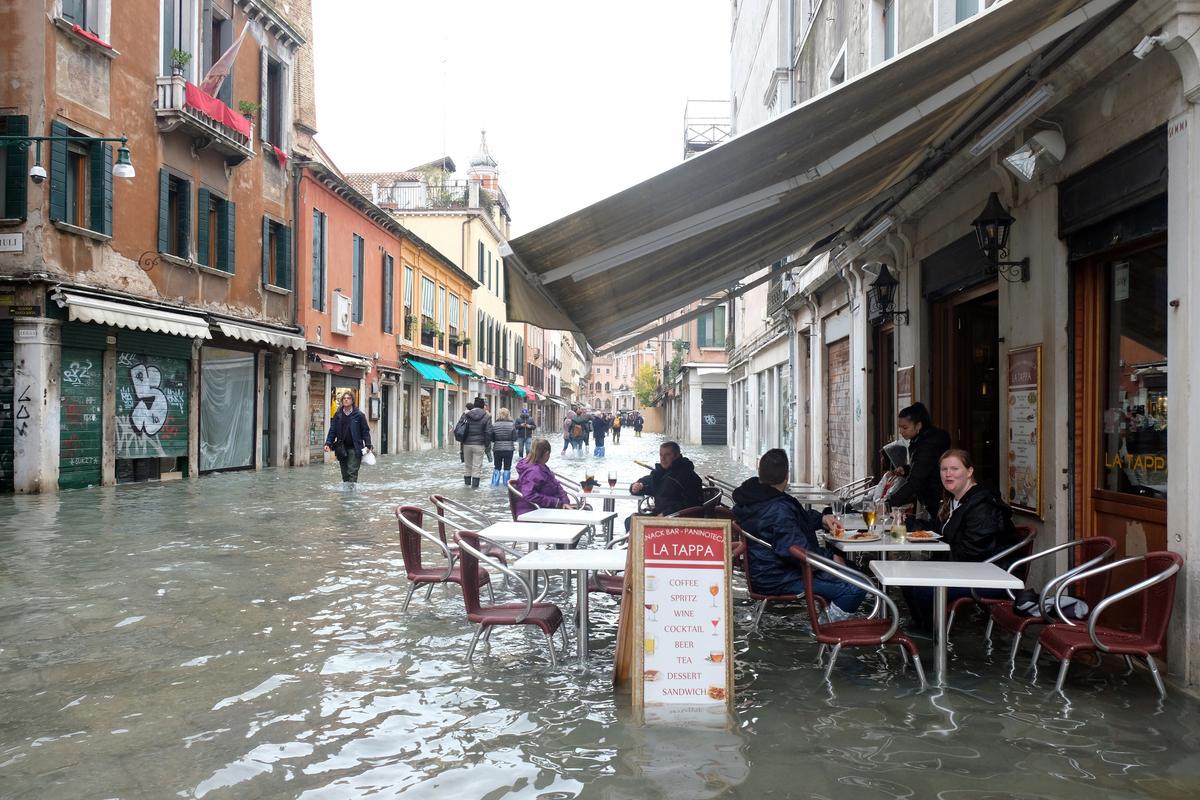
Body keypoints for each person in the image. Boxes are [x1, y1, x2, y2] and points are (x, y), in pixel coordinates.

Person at [732, 449, 864, 620]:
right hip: (779, 577)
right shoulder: (778, 508)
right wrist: (830, 558)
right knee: (858, 586)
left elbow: (794, 522)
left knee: (852, 570)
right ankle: (825, 629)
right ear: (787, 476)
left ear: (760, 473)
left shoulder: (755, 499)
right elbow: (796, 550)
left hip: (765, 571)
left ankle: (829, 614)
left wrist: (822, 519)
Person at [902, 449, 1020, 630]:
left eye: (955, 469)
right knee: (908, 579)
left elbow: (972, 553)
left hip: (989, 576)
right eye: (944, 469)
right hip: (965, 569)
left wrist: (933, 568)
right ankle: (924, 629)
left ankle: (931, 637)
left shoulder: (982, 505)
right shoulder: (956, 500)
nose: (948, 474)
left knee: (922, 588)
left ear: (969, 472)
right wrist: (909, 523)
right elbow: (941, 532)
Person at [885, 402, 951, 525]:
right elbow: (926, 466)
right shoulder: (924, 440)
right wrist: (907, 469)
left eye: (905, 428)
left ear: (918, 426)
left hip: (938, 497)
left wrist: (888, 504)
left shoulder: (927, 445)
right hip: (936, 498)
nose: (901, 432)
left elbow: (916, 480)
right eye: (900, 427)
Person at [629, 441, 704, 520]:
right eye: (661, 455)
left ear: (677, 456)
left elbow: (692, 502)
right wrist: (637, 486)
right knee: (630, 520)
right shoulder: (661, 473)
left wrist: (666, 514)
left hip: (676, 520)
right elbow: (649, 483)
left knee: (631, 521)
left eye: (667, 455)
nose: (663, 458)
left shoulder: (688, 475)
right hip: (661, 515)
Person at [514, 438, 575, 516]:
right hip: (534, 512)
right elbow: (529, 494)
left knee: (585, 509)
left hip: (548, 508)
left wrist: (565, 501)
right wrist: (556, 502)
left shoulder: (542, 467)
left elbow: (557, 485)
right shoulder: (534, 472)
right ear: (547, 454)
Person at [324, 390, 372, 486]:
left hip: (355, 448)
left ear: (352, 401)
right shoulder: (338, 415)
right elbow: (332, 430)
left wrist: (368, 445)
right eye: (344, 398)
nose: (346, 400)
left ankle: (351, 495)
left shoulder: (359, 415)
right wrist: (328, 443)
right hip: (341, 448)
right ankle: (346, 495)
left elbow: (365, 431)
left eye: (348, 398)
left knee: (352, 472)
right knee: (344, 473)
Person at [457, 398, 492, 488]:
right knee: (477, 467)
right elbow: (488, 432)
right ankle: (475, 489)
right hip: (479, 444)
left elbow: (459, 427)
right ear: (482, 406)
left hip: (467, 444)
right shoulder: (487, 416)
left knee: (467, 466)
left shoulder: (466, 414)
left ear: (474, 405)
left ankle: (467, 487)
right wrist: (486, 444)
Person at [490, 407, 518, 486]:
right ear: (508, 415)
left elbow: (492, 439)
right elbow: (515, 438)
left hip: (497, 449)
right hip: (509, 449)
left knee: (497, 467)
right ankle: (506, 485)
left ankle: (495, 484)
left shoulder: (494, 425)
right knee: (507, 467)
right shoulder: (512, 425)